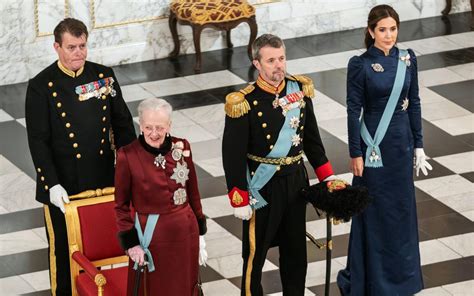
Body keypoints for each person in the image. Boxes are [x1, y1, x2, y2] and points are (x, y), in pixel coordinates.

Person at [25, 18, 136, 295]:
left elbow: (123, 127)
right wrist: (51, 184)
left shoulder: (104, 76)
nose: (78, 53)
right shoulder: (41, 86)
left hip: (103, 177)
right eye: (71, 47)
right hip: (65, 185)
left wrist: (134, 169)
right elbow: (38, 142)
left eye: (82, 46)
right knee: (64, 253)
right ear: (57, 47)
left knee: (108, 245)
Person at [222, 34, 336, 296]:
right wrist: (238, 196)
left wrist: (327, 177)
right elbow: (232, 154)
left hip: (296, 181)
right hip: (263, 188)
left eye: (281, 58)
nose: (278, 66)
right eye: (271, 60)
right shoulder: (244, 102)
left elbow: (312, 141)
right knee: (255, 255)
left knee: (295, 252)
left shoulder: (299, 89)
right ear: (257, 64)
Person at [337, 5, 432, 295]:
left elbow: (413, 102)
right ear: (371, 32)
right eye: (382, 30)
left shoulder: (408, 59)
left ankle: (404, 280)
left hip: (401, 147)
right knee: (376, 213)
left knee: (401, 213)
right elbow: (353, 111)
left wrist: (419, 145)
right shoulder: (361, 64)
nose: (388, 35)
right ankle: (374, 281)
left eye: (392, 29)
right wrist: (355, 152)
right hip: (373, 149)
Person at [114, 98, 208, 295]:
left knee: (185, 287)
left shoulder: (182, 147)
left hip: (186, 233)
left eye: (160, 127)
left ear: (169, 125)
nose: (154, 134)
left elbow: (193, 191)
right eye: (148, 127)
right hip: (153, 236)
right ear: (140, 125)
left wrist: (200, 233)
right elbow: (121, 206)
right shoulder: (127, 155)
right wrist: (131, 244)